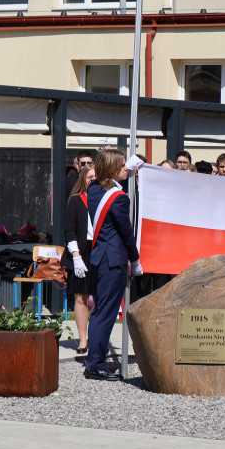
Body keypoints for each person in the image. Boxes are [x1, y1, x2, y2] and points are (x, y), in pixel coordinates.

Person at [84, 148, 142, 381]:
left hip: (100, 257)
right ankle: (95, 364)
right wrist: (135, 259)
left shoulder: (95, 189)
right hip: (113, 259)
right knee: (105, 314)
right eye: (121, 166)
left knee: (100, 311)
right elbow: (127, 233)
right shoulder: (118, 198)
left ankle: (94, 360)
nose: (125, 168)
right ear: (111, 170)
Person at [60, 164, 95, 355]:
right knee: (80, 297)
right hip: (80, 251)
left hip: (98, 251)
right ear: (83, 178)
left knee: (98, 297)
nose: (92, 180)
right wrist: (76, 256)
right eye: (90, 176)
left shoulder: (104, 198)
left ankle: (97, 337)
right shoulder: (76, 200)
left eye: (96, 177)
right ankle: (83, 339)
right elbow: (69, 230)